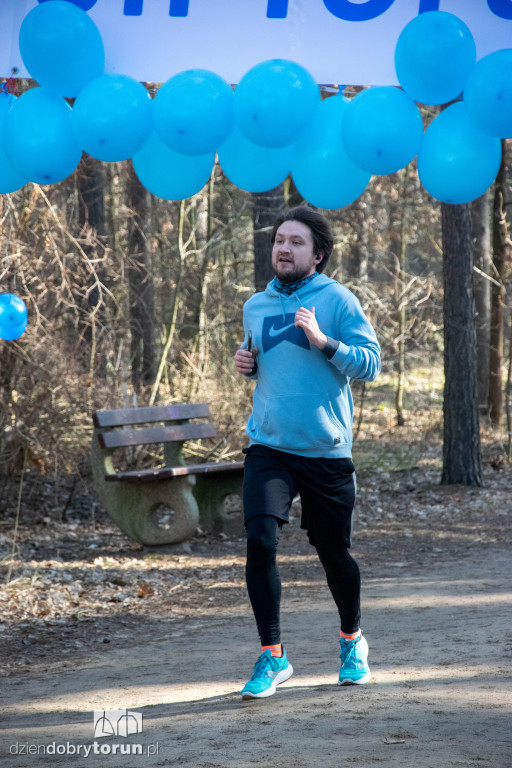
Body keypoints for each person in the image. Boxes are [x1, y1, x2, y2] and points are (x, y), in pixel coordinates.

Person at [233, 206, 381, 700]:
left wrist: (323, 340)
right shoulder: (256, 306)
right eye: (280, 239)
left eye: (296, 242)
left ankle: (352, 641)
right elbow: (268, 361)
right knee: (260, 540)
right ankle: (273, 655)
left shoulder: (338, 299)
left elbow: (370, 364)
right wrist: (248, 364)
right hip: (269, 445)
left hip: (325, 448)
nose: (284, 248)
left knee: (333, 553)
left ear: (317, 255)